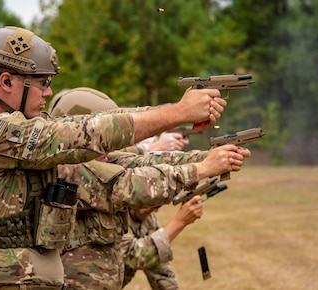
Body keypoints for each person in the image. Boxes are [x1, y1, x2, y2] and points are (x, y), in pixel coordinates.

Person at [0, 26, 228, 290]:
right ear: (7, 82)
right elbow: (85, 133)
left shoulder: (2, 134)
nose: (48, 92)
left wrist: (184, 126)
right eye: (42, 82)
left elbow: (101, 128)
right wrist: (179, 113)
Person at [48, 87, 251, 289]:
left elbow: (149, 163)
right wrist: (203, 168)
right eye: (103, 139)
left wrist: (208, 157)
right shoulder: (66, 173)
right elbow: (133, 185)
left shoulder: (102, 160)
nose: (110, 148)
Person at [121, 198, 203, 290]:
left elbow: (160, 271)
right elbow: (134, 256)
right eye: (153, 204)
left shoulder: (147, 219)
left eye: (158, 206)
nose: (155, 210)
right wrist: (179, 222)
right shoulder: (111, 214)